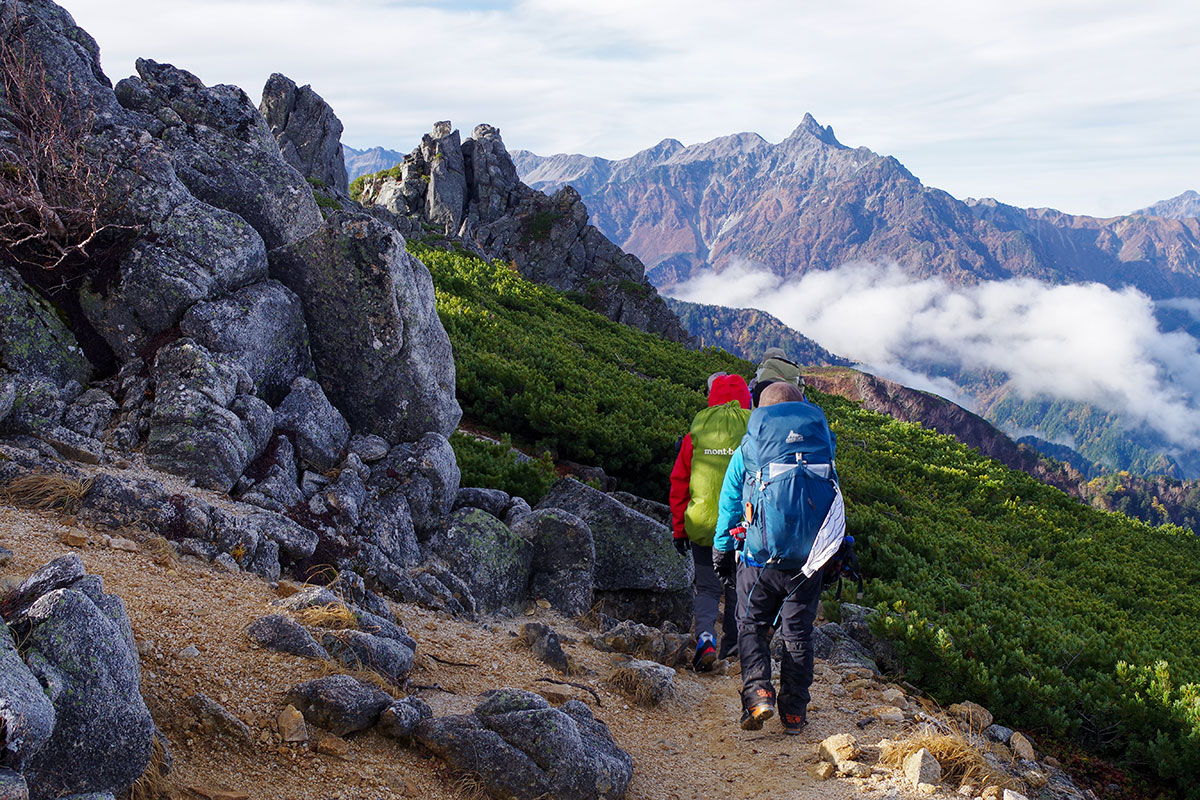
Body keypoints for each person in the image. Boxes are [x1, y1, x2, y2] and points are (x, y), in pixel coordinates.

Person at [712, 380, 842, 734]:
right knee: (798, 634)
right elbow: (833, 499)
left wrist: (722, 548)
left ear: (760, 410)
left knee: (751, 624)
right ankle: (795, 712)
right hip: (808, 562)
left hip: (760, 561)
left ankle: (758, 694)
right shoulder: (820, 446)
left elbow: (729, 504)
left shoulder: (751, 448)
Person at [669, 371, 752, 671]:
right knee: (734, 588)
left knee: (706, 588)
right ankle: (732, 647)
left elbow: (679, 482)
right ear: (746, 399)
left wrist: (680, 528)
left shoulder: (696, 433)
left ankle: (705, 638)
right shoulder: (754, 432)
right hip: (741, 528)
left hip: (702, 525)